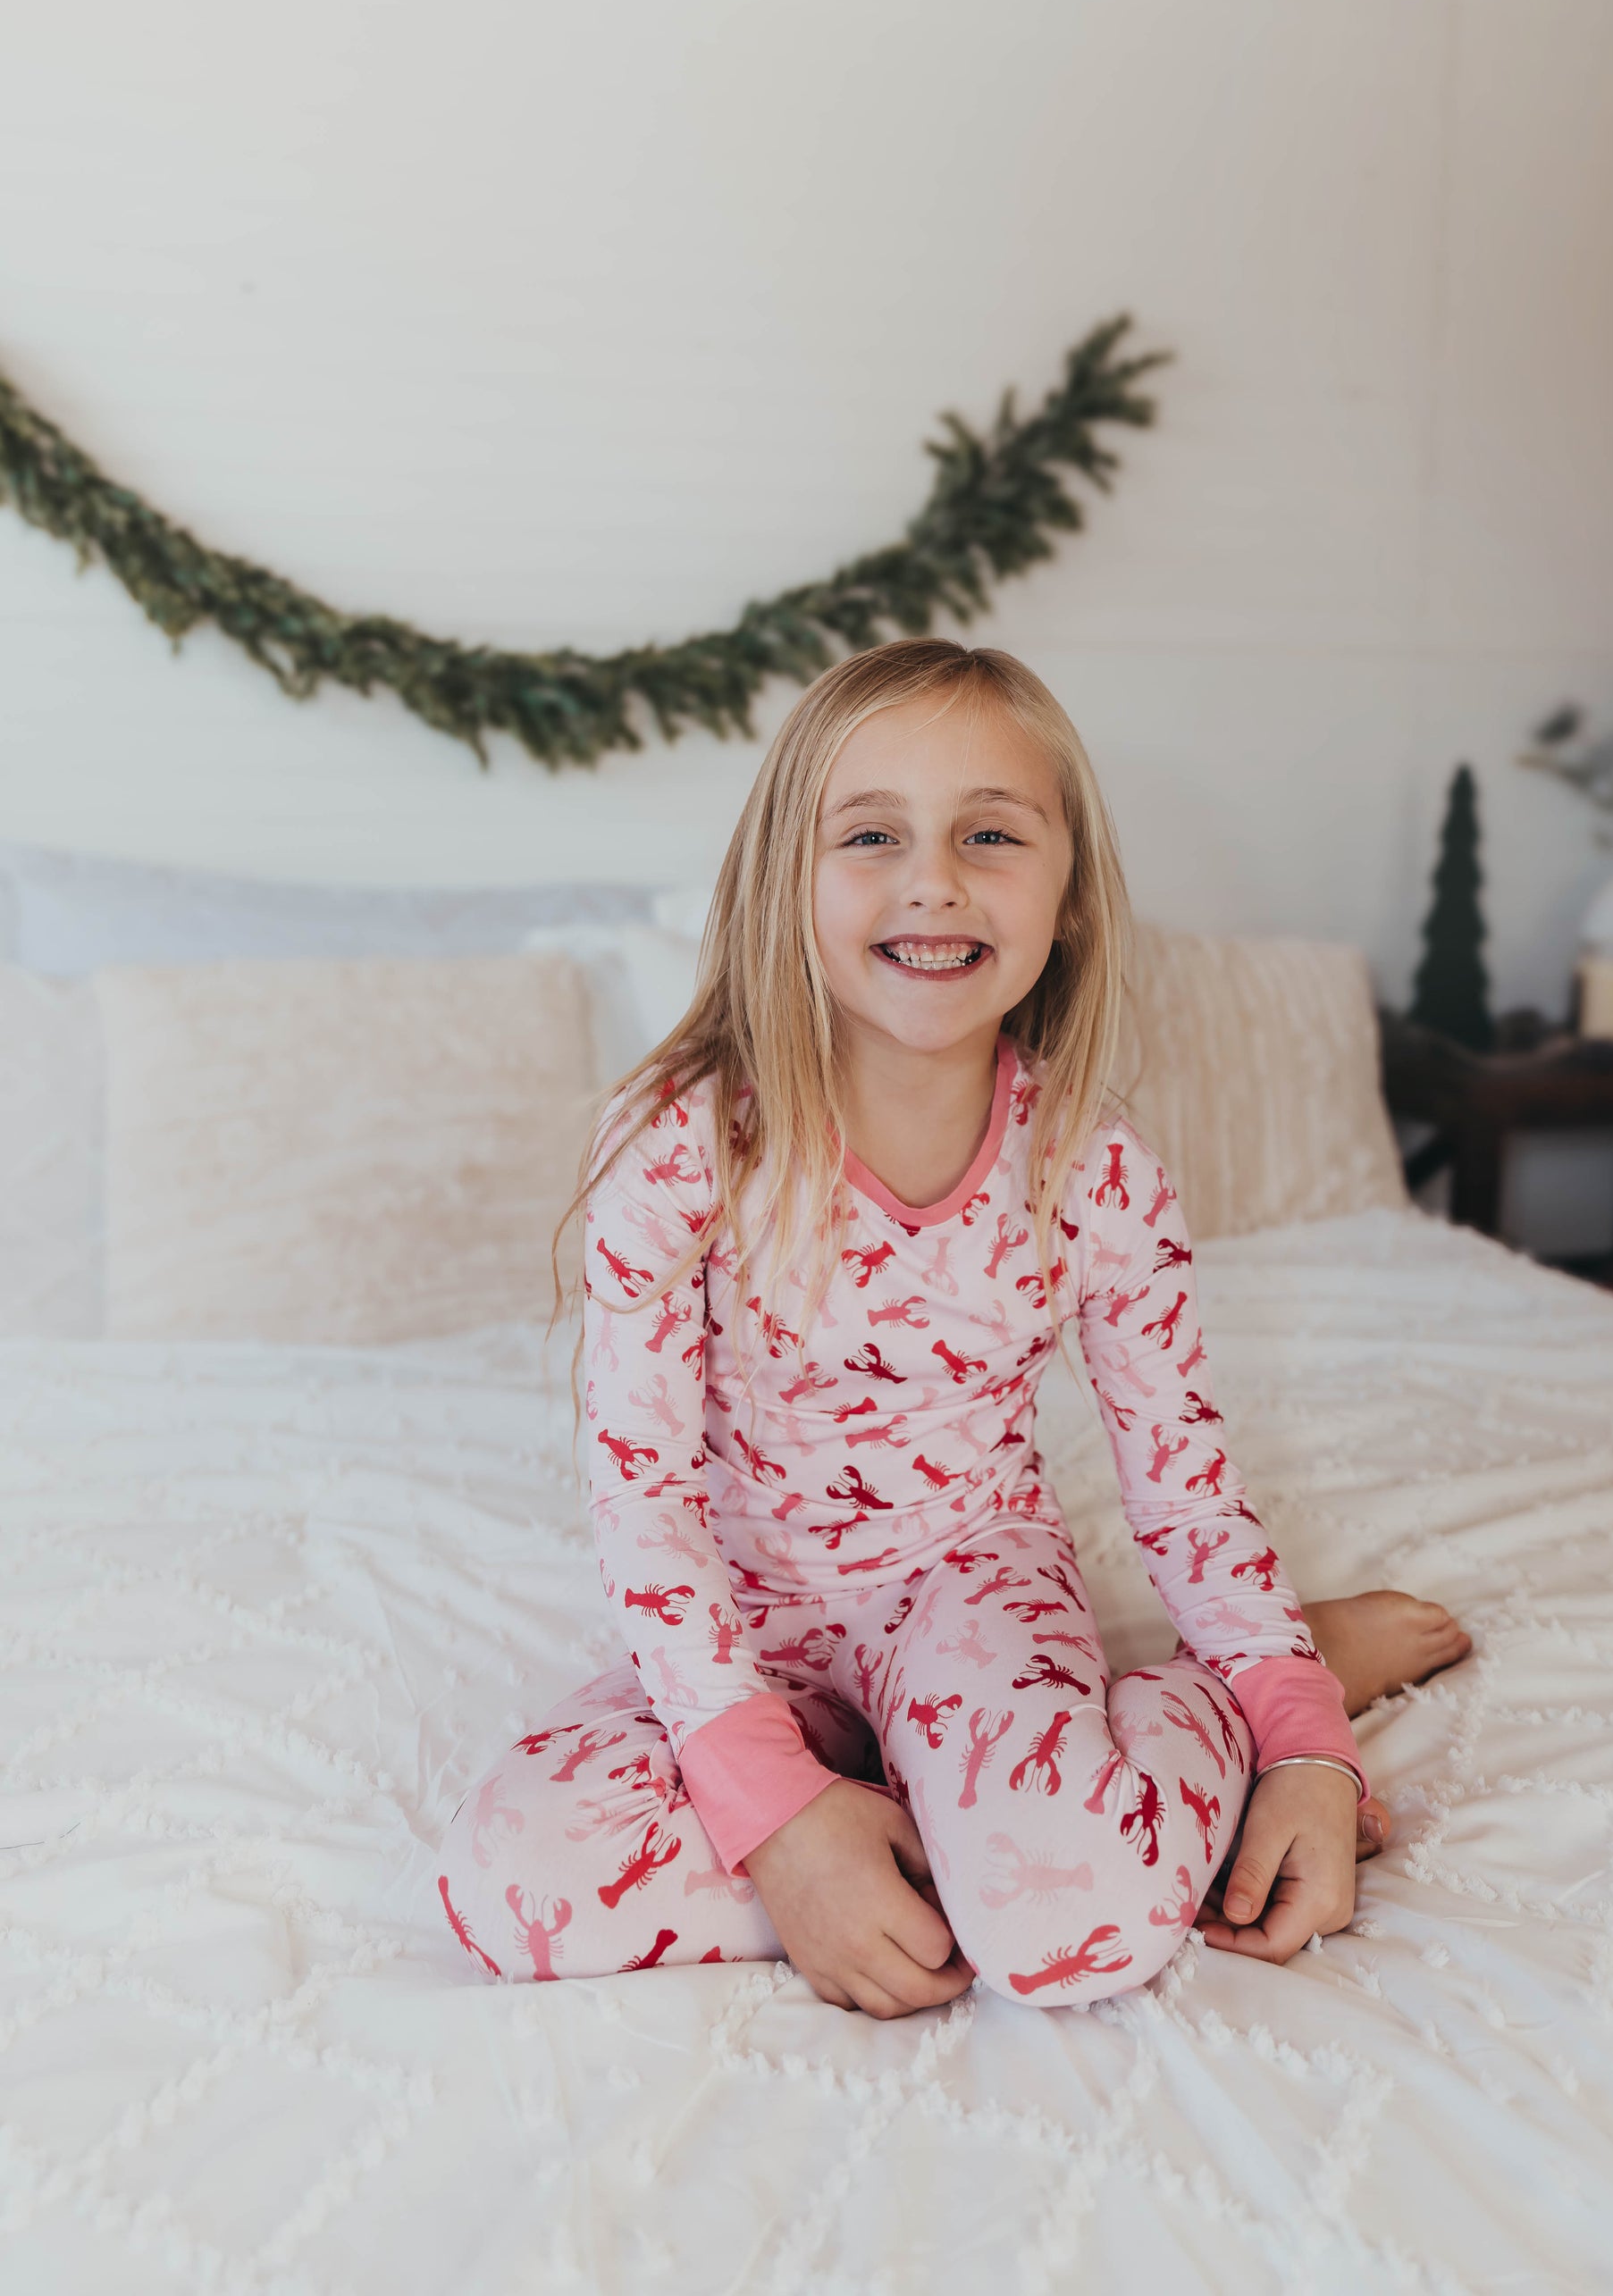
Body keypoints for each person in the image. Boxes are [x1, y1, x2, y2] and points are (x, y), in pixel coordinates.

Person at [437, 641, 1470, 2009]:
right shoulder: (683, 1153)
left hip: (968, 1585)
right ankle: (950, 1811)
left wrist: (1299, 1739)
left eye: (990, 833)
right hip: (741, 1627)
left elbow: (1183, 1489)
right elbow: (644, 1506)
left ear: (1070, 901)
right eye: (870, 834)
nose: (933, 878)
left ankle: (1207, 1692)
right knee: (512, 1882)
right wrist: (781, 1825)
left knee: (1065, 1934)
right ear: (781, 888)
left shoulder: (1097, 1175)